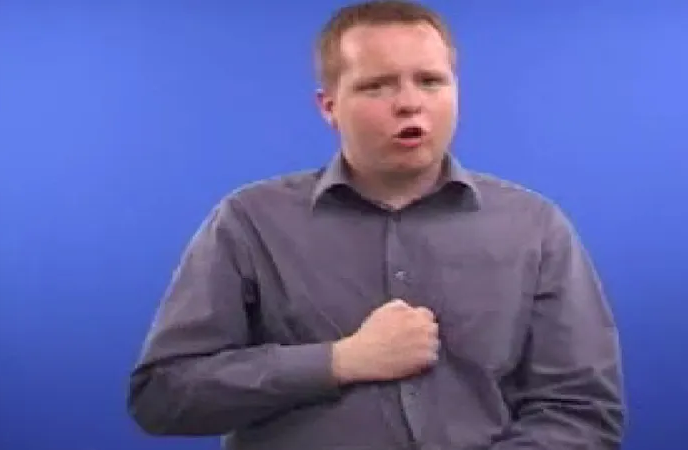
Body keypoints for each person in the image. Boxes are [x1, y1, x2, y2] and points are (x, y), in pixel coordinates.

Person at [126, 1, 627, 449]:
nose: (409, 103)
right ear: (329, 107)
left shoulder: (534, 227)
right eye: (377, 86)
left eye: (430, 81)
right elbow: (164, 395)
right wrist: (340, 361)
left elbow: (580, 412)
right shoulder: (249, 222)